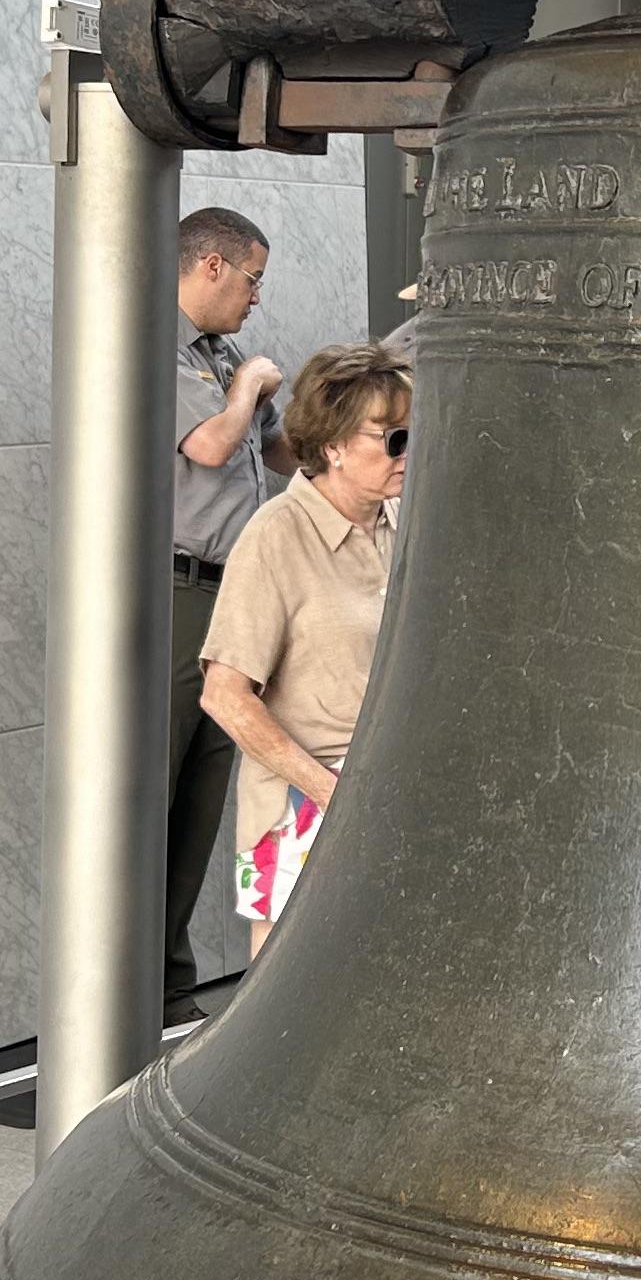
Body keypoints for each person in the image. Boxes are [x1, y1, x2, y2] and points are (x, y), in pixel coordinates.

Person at [196, 344, 410, 958]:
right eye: (392, 438)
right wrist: (327, 790)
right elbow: (224, 695)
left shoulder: (401, 518)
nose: (407, 453)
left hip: (389, 792)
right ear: (335, 446)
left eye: (414, 435)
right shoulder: (274, 536)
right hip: (305, 810)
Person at [167, 207, 291, 1005]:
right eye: (250, 280)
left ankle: (170, 986)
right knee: (156, 786)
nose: (254, 299)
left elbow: (278, 451)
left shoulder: (222, 354)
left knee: (204, 792)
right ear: (210, 265)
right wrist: (247, 387)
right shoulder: (158, 343)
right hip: (176, 593)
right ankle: (129, 986)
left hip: (228, 596)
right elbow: (209, 446)